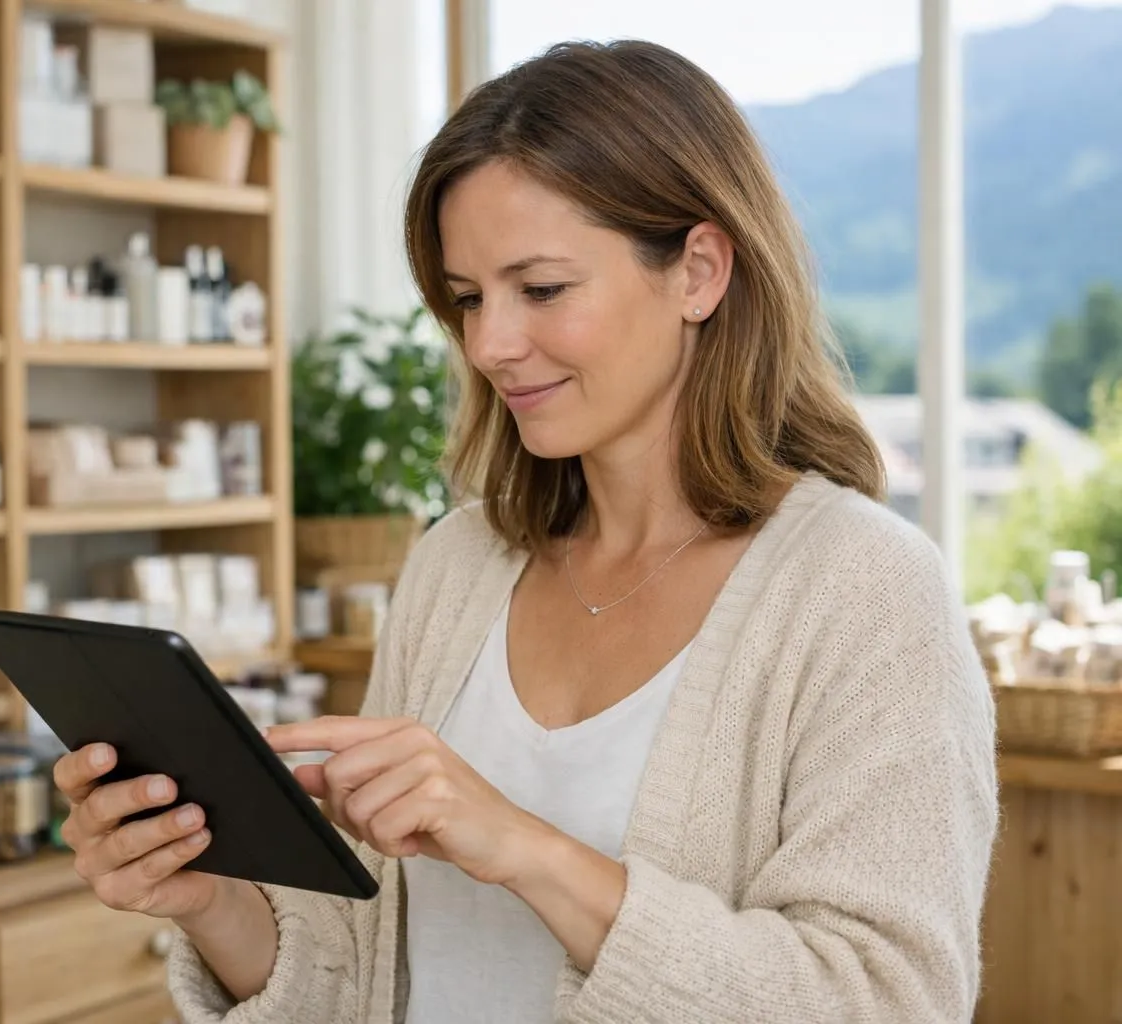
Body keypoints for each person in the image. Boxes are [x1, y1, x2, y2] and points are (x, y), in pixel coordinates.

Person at [53, 39, 998, 1023]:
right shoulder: (457, 566)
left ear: (700, 273)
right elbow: (364, 968)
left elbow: (892, 999)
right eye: (467, 297)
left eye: (540, 288)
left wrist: (526, 847)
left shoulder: (865, 587)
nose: (490, 343)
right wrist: (204, 894)